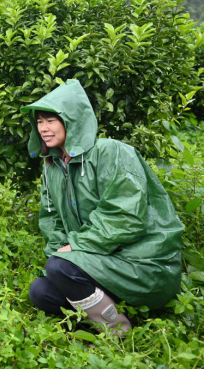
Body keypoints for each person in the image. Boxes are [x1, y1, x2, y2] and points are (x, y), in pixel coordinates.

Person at [23, 79, 183, 333]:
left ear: (72, 120)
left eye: (51, 120)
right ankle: (103, 316)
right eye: (40, 121)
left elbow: (126, 216)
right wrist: (60, 255)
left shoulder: (110, 152)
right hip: (98, 262)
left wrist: (74, 249)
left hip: (140, 264)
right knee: (40, 291)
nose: (44, 128)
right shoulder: (52, 166)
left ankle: (118, 329)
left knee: (60, 266)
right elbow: (51, 220)